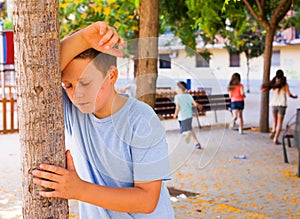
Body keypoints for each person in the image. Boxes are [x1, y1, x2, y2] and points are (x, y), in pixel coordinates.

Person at [32, 21, 175, 218]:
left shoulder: (142, 120)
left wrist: (79, 190)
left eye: (85, 83)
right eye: (69, 85)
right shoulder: (75, 110)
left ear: (112, 75)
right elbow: (40, 73)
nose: (77, 94)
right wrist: (83, 38)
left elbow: (147, 200)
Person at [261, 69, 298, 145]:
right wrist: (294, 97)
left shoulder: (274, 84)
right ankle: (275, 138)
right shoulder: (285, 84)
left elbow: (263, 89)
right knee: (279, 123)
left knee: (275, 121)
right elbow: (289, 94)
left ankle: (274, 130)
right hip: (282, 105)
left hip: (274, 104)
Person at [173, 81, 202, 149]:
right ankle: (197, 143)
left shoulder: (177, 97)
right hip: (189, 116)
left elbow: (178, 107)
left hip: (183, 117)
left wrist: (175, 114)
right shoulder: (189, 96)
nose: (176, 89)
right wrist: (198, 105)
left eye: (177, 88)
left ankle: (191, 137)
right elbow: (195, 104)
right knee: (189, 129)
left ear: (180, 89)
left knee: (184, 132)